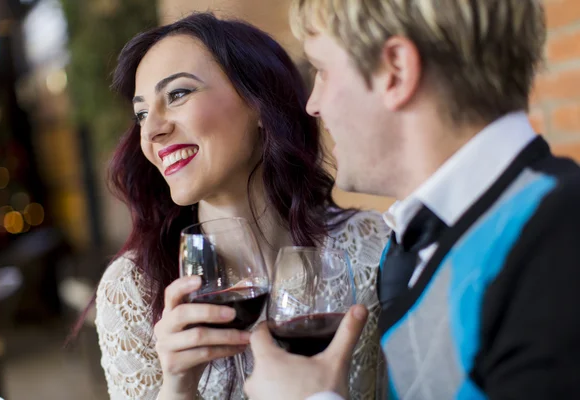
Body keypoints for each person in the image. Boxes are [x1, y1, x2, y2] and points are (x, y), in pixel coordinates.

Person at [245, 1, 580, 399]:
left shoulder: (564, 233)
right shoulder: (405, 245)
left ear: (396, 71)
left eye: (322, 70)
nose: (312, 105)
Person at [94, 12, 390, 400]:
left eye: (178, 94)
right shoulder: (132, 289)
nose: (151, 132)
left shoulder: (371, 247)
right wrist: (178, 390)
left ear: (261, 105)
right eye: (142, 114)